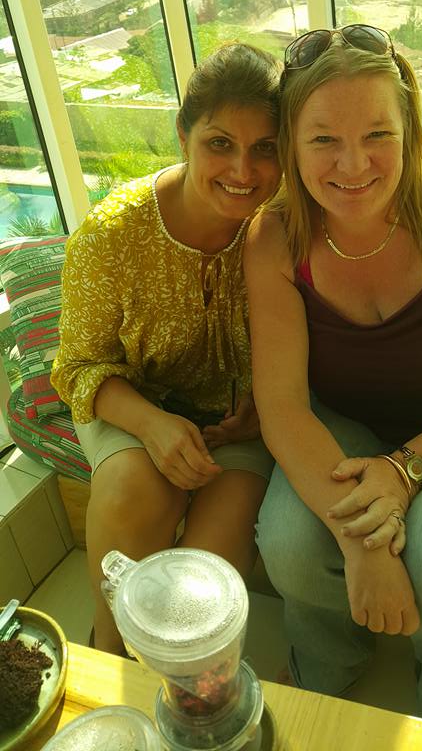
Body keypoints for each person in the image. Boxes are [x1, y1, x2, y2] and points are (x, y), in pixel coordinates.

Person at [244, 25, 422, 751]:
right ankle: (326, 660)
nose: (353, 164)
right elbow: (283, 404)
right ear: (290, 143)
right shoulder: (275, 237)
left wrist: (403, 473)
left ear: (412, 131)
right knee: (289, 543)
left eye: (378, 135)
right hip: (344, 420)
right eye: (323, 140)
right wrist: (363, 543)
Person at [51, 42, 282, 655]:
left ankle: (184, 684)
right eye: (220, 143)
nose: (242, 171)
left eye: (265, 148)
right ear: (184, 135)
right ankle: (107, 654)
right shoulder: (112, 234)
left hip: (242, 427)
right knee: (135, 491)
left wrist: (266, 406)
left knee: (204, 583)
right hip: (131, 406)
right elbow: (77, 367)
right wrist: (152, 425)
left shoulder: (287, 226)